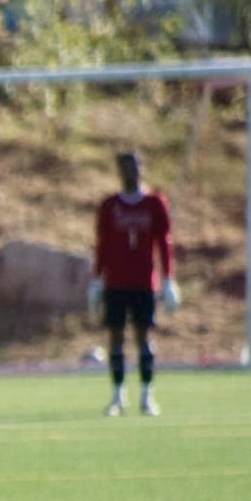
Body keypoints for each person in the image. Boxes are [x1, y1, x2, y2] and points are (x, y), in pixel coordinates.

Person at [88, 150, 177, 417]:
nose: (130, 172)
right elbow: (102, 245)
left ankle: (147, 395)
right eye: (125, 167)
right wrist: (97, 279)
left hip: (143, 283)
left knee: (143, 337)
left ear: (143, 168)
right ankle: (118, 396)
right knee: (115, 337)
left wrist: (169, 278)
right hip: (116, 282)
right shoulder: (109, 205)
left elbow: (164, 243)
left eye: (135, 166)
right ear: (119, 171)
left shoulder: (154, 203)